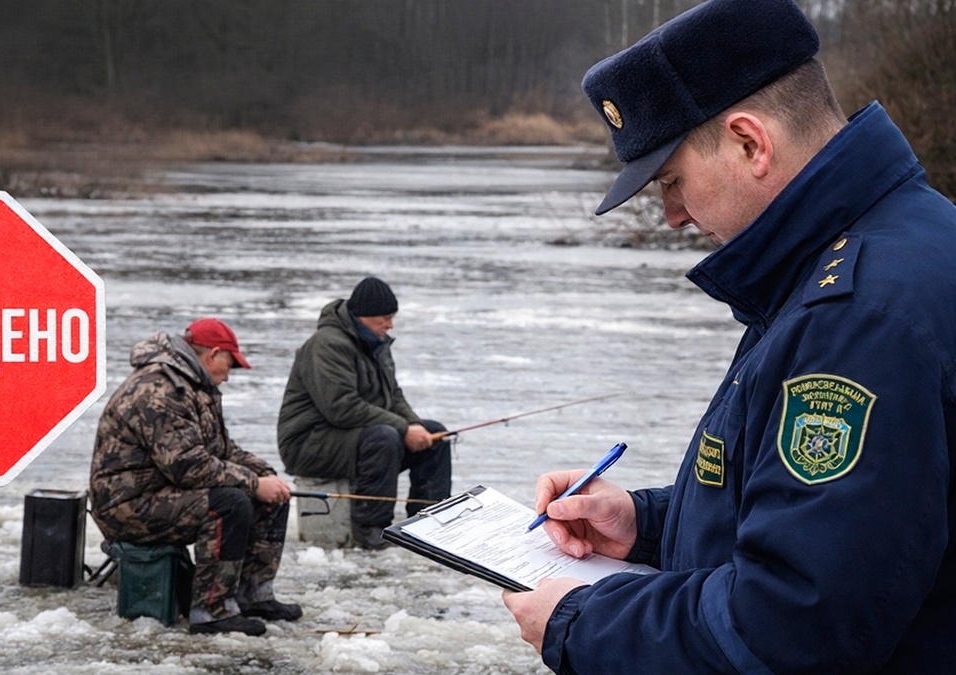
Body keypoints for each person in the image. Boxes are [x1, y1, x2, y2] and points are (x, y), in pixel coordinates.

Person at [502, 0, 956, 672]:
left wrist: (582, 621)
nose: (674, 215)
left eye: (672, 181)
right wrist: (647, 524)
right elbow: (830, 524)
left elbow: (794, 627)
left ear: (750, 142)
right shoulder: (885, 248)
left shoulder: (860, 315)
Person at [89, 318, 301, 637]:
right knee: (229, 504)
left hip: (162, 493)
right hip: (127, 507)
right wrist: (254, 484)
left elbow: (222, 449)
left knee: (272, 497)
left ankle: (253, 596)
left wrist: (264, 474)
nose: (228, 376)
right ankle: (211, 612)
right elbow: (188, 467)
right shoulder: (159, 389)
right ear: (212, 355)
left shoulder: (193, 386)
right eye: (230, 365)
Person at [277, 277, 452, 550]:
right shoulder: (327, 345)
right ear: (363, 316)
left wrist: (415, 426)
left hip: (352, 437)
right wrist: (403, 430)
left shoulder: (377, 344)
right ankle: (371, 532)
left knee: (434, 436)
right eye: (385, 318)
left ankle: (429, 525)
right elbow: (342, 408)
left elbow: (393, 396)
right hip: (309, 444)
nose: (390, 324)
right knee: (385, 437)